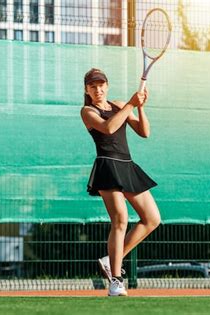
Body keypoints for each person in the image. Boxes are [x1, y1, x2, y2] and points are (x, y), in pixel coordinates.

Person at [80, 68, 161, 296]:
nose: (98, 89)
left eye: (101, 84)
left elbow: (144, 132)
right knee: (120, 219)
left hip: (127, 165)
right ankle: (116, 281)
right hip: (107, 167)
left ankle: (112, 259)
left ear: (107, 85)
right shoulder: (87, 111)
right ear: (87, 89)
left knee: (152, 218)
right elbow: (108, 128)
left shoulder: (118, 104)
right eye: (93, 86)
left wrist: (141, 107)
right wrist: (131, 104)